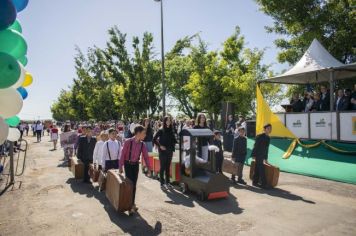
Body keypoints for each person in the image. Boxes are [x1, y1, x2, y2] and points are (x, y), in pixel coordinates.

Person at [119, 125, 152, 214]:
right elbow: (122, 154)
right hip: (127, 165)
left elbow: (146, 157)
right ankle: (129, 205)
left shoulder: (142, 144)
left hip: (135, 165)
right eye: (144, 133)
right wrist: (120, 166)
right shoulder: (127, 142)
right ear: (138, 133)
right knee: (129, 185)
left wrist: (149, 168)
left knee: (134, 185)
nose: (145, 135)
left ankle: (131, 204)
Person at [153, 116, 177, 189]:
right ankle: (162, 183)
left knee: (167, 167)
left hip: (170, 151)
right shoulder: (161, 130)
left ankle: (168, 182)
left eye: (170, 120)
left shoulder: (171, 130)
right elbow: (154, 139)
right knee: (162, 167)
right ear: (164, 121)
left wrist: (179, 142)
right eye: (167, 120)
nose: (168, 122)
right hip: (163, 151)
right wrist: (160, 146)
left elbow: (174, 140)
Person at [251, 123, 272, 189]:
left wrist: (266, 158)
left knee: (257, 168)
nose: (270, 130)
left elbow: (266, 149)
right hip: (258, 155)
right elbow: (255, 146)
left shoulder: (268, 138)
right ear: (264, 129)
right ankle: (264, 184)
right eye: (268, 128)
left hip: (263, 155)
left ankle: (255, 182)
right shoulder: (259, 136)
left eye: (270, 129)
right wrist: (253, 155)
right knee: (261, 169)